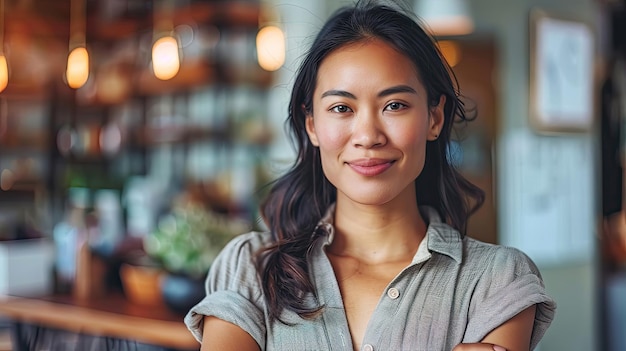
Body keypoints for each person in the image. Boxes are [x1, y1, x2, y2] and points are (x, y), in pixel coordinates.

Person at [184, 0, 556, 350]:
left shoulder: (496, 280)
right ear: (311, 124)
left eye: (394, 105)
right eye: (342, 108)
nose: (368, 136)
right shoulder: (251, 267)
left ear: (434, 118)